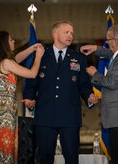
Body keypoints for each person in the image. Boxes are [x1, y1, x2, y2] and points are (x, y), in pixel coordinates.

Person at [22, 20, 99, 164]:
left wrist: (90, 96)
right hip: (45, 116)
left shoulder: (79, 59)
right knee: (45, 158)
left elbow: (84, 85)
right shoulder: (41, 56)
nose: (70, 35)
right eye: (66, 32)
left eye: (72, 33)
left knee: (71, 157)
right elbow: (31, 83)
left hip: (70, 117)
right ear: (55, 34)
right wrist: (29, 99)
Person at [80, 24, 118, 164]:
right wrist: (96, 49)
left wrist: (94, 73)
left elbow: (111, 82)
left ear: (115, 41)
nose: (106, 43)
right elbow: (112, 54)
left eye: (107, 40)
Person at [0, 31, 44, 164]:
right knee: (5, 148)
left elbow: (16, 59)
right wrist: (38, 56)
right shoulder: (7, 63)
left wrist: (31, 49)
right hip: (5, 114)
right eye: (11, 40)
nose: (14, 42)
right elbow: (32, 74)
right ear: (4, 44)